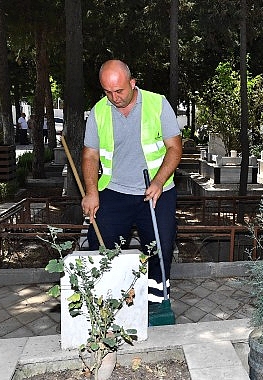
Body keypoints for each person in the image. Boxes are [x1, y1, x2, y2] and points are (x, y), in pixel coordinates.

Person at [82, 59, 182, 306]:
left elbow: (174, 148)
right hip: (115, 191)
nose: (114, 98)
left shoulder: (158, 104)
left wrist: (159, 181)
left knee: (160, 251)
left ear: (132, 83)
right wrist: (91, 192)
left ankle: (157, 304)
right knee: (101, 247)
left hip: (157, 191)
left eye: (119, 91)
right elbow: (90, 154)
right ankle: (108, 304)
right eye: (108, 92)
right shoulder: (99, 111)